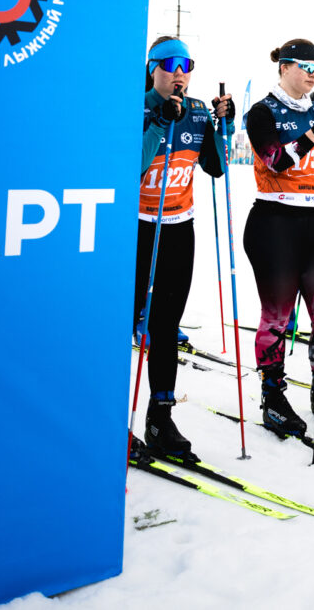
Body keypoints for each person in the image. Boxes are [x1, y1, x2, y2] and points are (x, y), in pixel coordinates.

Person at [244, 38, 314, 433]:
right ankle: (273, 397)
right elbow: (275, 161)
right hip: (275, 222)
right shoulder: (263, 111)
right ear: (284, 67)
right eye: (305, 67)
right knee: (277, 318)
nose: (312, 74)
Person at [134, 36, 235, 461]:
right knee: (123, 322)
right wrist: (159, 122)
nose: (180, 73)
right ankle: (108, 418)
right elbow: (130, 168)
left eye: (187, 65)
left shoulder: (195, 111)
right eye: (170, 64)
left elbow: (216, 167)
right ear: (152, 68)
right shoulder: (135, 107)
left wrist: (223, 125)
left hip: (179, 229)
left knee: (165, 325)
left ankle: (161, 417)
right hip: (137, 231)